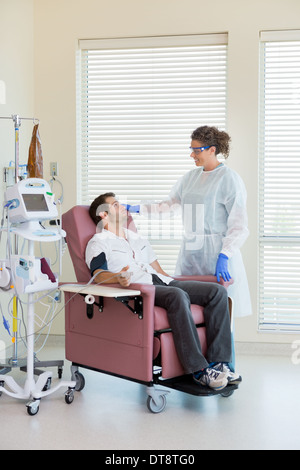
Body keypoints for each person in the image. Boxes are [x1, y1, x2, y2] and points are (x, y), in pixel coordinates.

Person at [86, 192, 242, 391]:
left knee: (217, 292)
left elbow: (159, 271)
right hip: (140, 289)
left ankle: (220, 364)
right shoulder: (99, 242)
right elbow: (97, 274)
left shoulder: (136, 237)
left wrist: (177, 281)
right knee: (178, 296)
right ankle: (199, 370)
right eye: (116, 205)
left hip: (163, 282)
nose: (123, 206)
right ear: (103, 215)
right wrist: (117, 278)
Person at [126, 126, 252, 319]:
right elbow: (169, 206)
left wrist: (225, 255)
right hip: (191, 252)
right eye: (191, 149)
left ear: (213, 149)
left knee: (222, 312)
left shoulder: (229, 179)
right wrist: (138, 208)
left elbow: (239, 225)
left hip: (217, 252)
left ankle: (224, 350)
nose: (192, 155)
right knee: (191, 309)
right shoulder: (190, 178)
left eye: (197, 150)